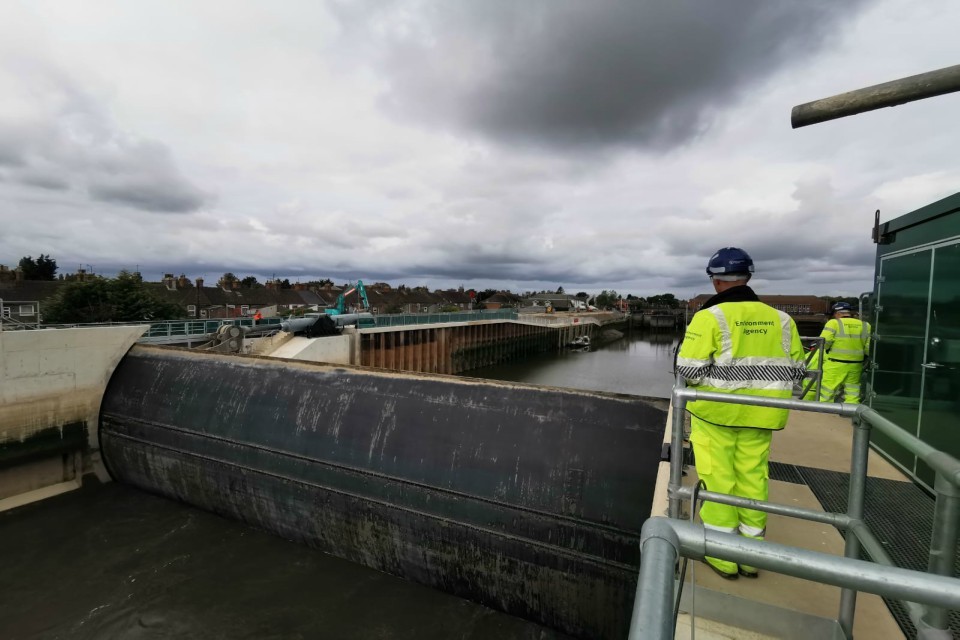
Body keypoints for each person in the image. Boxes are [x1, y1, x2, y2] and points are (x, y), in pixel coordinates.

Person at [676, 247, 806, 579]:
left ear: (716, 281)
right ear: (748, 277)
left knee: (718, 479)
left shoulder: (709, 317)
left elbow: (689, 369)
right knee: (753, 477)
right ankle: (751, 557)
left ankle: (722, 555)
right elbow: (797, 370)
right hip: (764, 414)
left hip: (716, 414)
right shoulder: (783, 320)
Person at [818, 302, 871, 403]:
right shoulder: (865, 325)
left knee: (827, 392)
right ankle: (851, 409)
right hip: (856, 365)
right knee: (852, 392)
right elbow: (868, 348)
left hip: (835, 364)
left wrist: (827, 349)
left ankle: (825, 411)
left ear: (837, 313)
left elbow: (824, 342)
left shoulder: (833, 323)